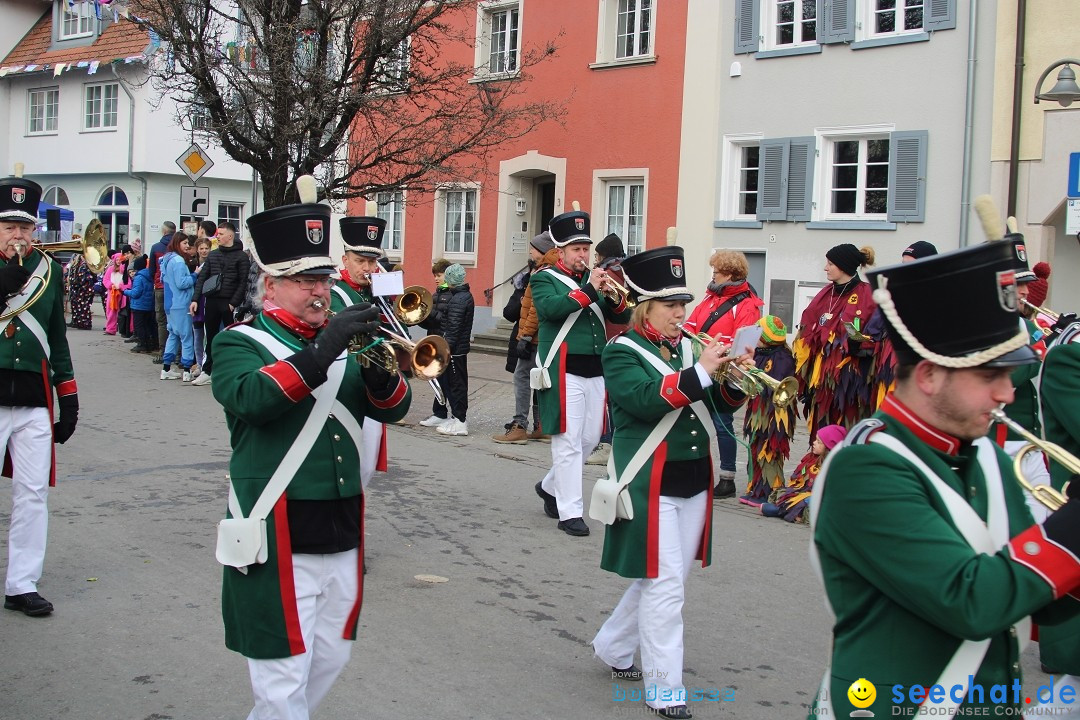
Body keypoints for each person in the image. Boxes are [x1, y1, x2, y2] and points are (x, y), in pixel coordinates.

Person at [808, 241, 1080, 717]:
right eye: (989, 376)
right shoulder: (866, 467)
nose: (1006, 395)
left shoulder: (985, 457)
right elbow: (973, 603)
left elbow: (1040, 598)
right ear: (930, 375)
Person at [212, 198, 411, 719]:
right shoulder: (241, 341)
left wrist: (379, 373)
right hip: (279, 527)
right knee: (282, 672)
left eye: (323, 278)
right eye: (305, 280)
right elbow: (253, 400)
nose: (320, 290)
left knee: (330, 655)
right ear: (271, 284)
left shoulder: (344, 343)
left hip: (342, 523)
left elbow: (396, 409)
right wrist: (328, 349)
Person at [590, 245, 749, 719]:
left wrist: (736, 377)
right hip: (648, 480)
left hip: (691, 479)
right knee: (665, 587)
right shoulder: (620, 351)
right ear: (645, 308)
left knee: (667, 578)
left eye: (683, 303)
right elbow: (642, 400)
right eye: (670, 305)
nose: (682, 312)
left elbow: (716, 406)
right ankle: (665, 689)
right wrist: (702, 371)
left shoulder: (686, 345)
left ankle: (612, 647)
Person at [0, 175, 79, 617]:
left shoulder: (47, 272)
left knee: (32, 494)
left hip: (33, 397)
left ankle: (21, 583)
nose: (18, 235)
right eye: (10, 226)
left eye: (25, 227)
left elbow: (56, 337)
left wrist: (68, 397)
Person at [532, 209, 632, 537]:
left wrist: (614, 294)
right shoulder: (544, 278)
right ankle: (570, 511)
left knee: (589, 438)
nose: (583, 255)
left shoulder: (594, 280)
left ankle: (550, 486)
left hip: (595, 370)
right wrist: (590, 290)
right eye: (577, 250)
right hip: (564, 370)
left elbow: (621, 315)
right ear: (561, 252)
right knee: (568, 442)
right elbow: (552, 309)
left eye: (586, 249)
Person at [682, 250, 764, 497]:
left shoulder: (747, 304)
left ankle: (727, 477)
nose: (713, 275)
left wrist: (716, 346)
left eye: (716, 272)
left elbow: (743, 338)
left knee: (721, 422)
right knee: (695, 418)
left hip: (725, 371)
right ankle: (697, 470)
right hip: (701, 365)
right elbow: (691, 326)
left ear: (730, 274)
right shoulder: (709, 298)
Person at [792, 243, 886, 440]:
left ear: (843, 266)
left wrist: (859, 346)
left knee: (847, 430)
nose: (826, 268)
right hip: (822, 383)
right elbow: (807, 332)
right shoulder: (825, 294)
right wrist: (806, 379)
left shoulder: (867, 295)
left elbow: (878, 337)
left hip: (852, 383)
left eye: (830, 263)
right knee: (821, 432)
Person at [333, 211, 392, 489]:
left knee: (366, 463)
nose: (367, 267)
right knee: (347, 464)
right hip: (344, 382)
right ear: (345, 260)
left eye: (372, 261)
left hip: (372, 382)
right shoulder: (335, 292)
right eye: (360, 261)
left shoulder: (379, 290)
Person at [493, 233, 553, 444]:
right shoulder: (545, 271)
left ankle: (520, 425)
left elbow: (534, 309)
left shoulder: (542, 274)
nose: (530, 252)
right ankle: (542, 426)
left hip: (534, 337)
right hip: (542, 337)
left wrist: (525, 337)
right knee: (539, 381)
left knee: (522, 378)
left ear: (542, 250)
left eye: (533, 248)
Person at [740, 315, 796, 507]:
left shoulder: (782, 357)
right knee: (756, 446)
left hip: (774, 411)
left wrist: (757, 372)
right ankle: (756, 487)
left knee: (770, 448)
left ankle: (770, 490)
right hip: (758, 408)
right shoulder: (760, 352)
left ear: (767, 338)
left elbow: (777, 383)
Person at [586, 232, 629, 466]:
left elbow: (598, 305)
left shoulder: (607, 275)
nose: (593, 258)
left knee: (606, 396)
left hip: (610, 336)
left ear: (603, 255)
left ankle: (606, 443)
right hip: (626, 336)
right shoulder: (628, 272)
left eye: (596, 254)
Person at [188, 221, 248, 387]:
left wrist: (233, 303)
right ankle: (208, 371)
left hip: (228, 302)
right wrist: (195, 299)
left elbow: (243, 282)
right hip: (212, 300)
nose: (217, 237)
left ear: (230, 235)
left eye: (220, 234)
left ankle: (231, 371)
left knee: (230, 338)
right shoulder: (213, 255)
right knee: (211, 337)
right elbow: (202, 277)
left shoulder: (241, 257)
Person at [760, 423, 845, 523]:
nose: (814, 443)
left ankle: (784, 511)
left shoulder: (834, 467)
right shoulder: (811, 459)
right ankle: (789, 510)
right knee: (787, 493)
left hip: (823, 500)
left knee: (809, 500)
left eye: (818, 442)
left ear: (829, 447)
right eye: (815, 439)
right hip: (807, 493)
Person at [432, 263, 474, 436]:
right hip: (458, 349)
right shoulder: (463, 296)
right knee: (456, 384)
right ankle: (457, 418)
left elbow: (453, 329)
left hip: (455, 351)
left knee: (456, 385)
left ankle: (460, 422)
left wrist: (445, 349)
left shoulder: (458, 299)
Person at [418, 258, 453, 427]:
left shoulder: (451, 294)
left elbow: (444, 320)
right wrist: (420, 318)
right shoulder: (436, 294)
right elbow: (432, 321)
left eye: (439, 275)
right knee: (437, 378)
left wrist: (429, 313)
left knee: (446, 380)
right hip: (434, 340)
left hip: (444, 342)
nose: (436, 278)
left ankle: (446, 413)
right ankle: (439, 412)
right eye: (435, 275)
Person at [160, 233, 196, 382]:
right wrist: (195, 275)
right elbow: (182, 283)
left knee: (173, 335)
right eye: (185, 243)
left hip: (169, 303)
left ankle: (166, 369)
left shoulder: (166, 259)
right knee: (186, 336)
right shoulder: (179, 261)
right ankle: (187, 370)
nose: (187, 245)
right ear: (177, 243)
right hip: (181, 303)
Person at [148, 221, 175, 361]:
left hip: (160, 287)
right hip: (176, 288)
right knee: (176, 320)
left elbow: (151, 270)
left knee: (162, 321)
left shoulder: (156, 247)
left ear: (164, 232)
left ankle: (164, 351)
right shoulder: (179, 246)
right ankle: (177, 354)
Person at [123, 256, 155, 354]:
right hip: (148, 305)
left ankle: (142, 344)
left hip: (139, 306)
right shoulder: (149, 275)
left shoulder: (138, 277)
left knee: (139, 326)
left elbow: (136, 293)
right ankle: (148, 344)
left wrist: (126, 292)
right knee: (146, 325)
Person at [191, 237, 212, 374]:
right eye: (201, 248)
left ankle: (207, 364)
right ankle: (199, 363)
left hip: (208, 301)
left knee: (208, 334)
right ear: (197, 250)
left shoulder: (213, 263)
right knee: (197, 334)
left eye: (206, 248)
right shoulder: (192, 264)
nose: (204, 251)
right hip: (195, 301)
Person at [102, 252, 130, 336]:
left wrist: (121, 287)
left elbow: (128, 282)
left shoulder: (124, 269)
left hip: (122, 293)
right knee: (110, 311)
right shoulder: (110, 269)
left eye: (119, 260)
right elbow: (105, 280)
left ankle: (123, 329)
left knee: (122, 312)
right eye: (116, 260)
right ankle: (110, 329)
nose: (118, 261)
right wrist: (111, 285)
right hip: (112, 293)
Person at [66, 252, 95, 330]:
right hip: (78, 289)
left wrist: (78, 284)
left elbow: (87, 278)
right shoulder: (79, 266)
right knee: (78, 306)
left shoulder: (86, 266)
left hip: (84, 289)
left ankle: (85, 323)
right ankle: (79, 322)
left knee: (84, 307)